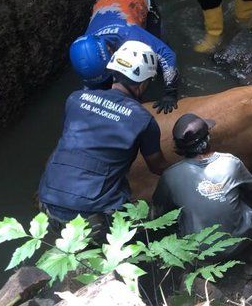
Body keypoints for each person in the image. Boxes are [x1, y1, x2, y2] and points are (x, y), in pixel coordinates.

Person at [39, 41, 170, 240]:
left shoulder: (75, 99)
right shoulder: (143, 120)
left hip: (47, 207)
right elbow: (157, 166)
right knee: (159, 218)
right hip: (89, 218)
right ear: (143, 82)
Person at [152, 113, 252, 260]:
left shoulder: (169, 176)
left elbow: (158, 212)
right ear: (207, 138)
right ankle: (251, 248)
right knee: (245, 198)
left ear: (178, 147)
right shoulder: (230, 162)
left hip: (200, 254)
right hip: (240, 242)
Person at [69, 0, 180, 114]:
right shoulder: (85, 49)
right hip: (104, 2)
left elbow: (167, 55)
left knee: (155, 62)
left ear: (110, 51)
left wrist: (170, 93)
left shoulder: (131, 35)